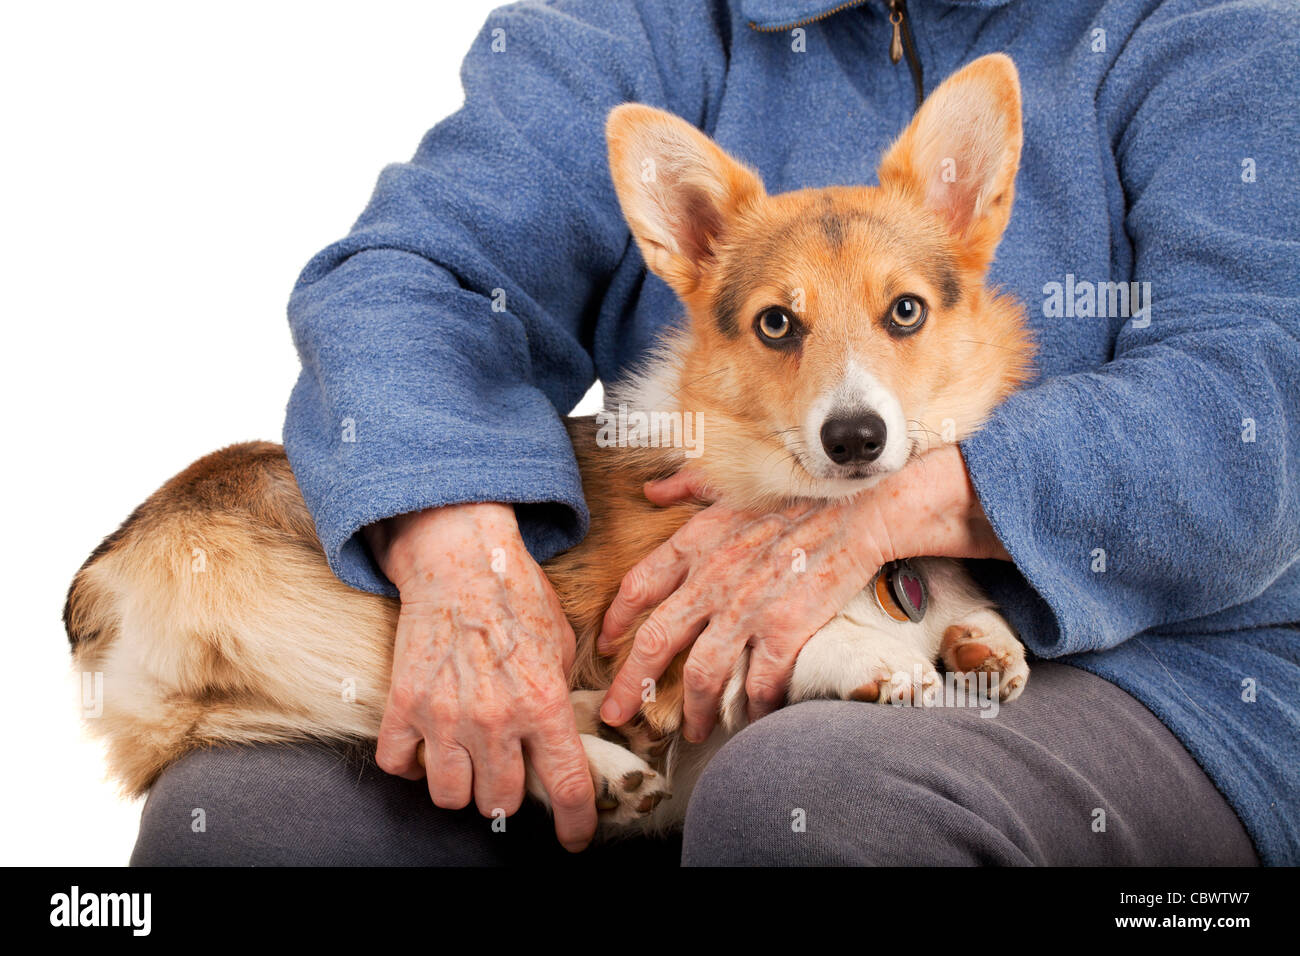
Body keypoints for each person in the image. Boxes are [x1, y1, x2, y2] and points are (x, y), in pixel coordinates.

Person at [131, 0, 1298, 866]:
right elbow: (417, 276)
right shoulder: (643, 20)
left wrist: (887, 514)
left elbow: (1256, 395)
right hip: (660, 674)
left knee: (812, 791)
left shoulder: (1213, 24)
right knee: (240, 818)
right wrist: (456, 552)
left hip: (1168, 669)